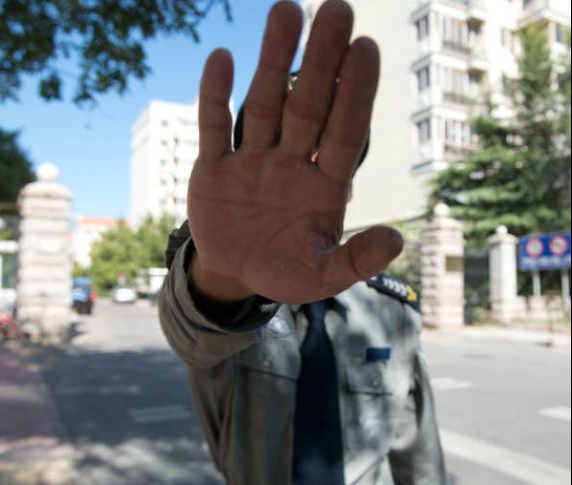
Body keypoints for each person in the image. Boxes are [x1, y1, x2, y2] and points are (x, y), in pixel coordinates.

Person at [158, 1, 447, 483]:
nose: (292, 177)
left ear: (347, 187)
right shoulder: (224, 306)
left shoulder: (391, 312)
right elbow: (191, 335)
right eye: (275, 149)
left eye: (319, 159)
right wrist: (225, 278)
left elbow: (421, 459)